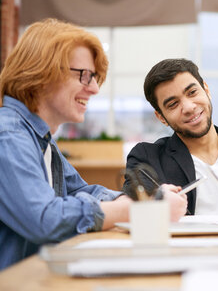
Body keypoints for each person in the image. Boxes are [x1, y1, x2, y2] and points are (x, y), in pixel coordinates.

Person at [0, 19, 187, 271]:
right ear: (42, 72)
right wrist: (133, 210)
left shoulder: (39, 138)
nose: (95, 89)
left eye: (95, 78)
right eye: (84, 76)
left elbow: (80, 191)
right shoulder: (8, 135)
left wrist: (146, 199)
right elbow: (46, 219)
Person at [123, 58, 218, 215]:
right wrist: (155, 203)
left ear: (206, 89)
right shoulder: (147, 159)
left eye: (192, 93)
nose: (189, 108)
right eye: (173, 104)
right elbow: (135, 211)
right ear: (161, 117)